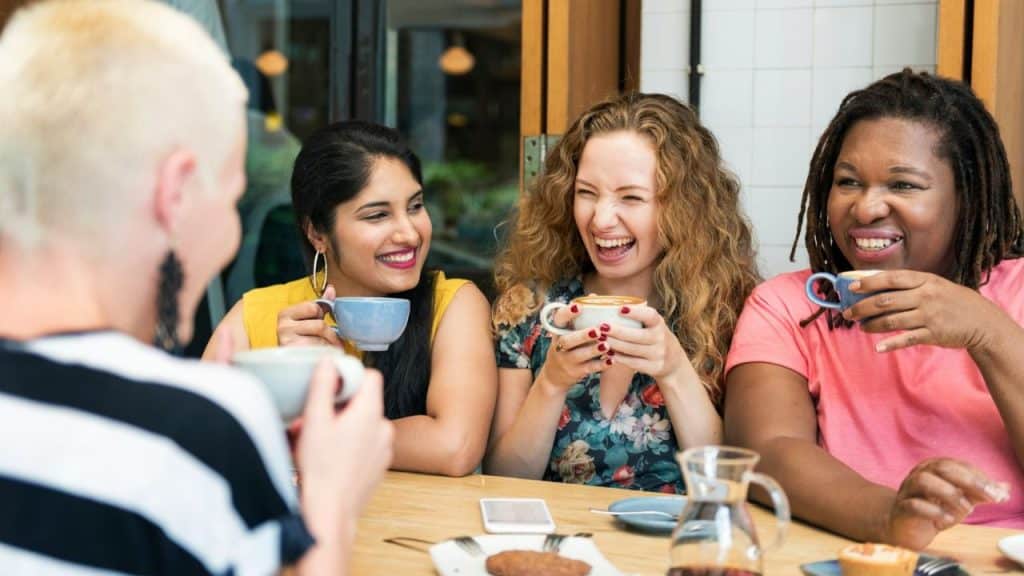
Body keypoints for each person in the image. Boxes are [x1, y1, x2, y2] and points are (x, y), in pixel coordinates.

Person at [0, 1, 392, 574]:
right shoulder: (194, 428)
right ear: (176, 193)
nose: (233, 233)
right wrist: (331, 506)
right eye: (232, 197)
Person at [724, 70, 1024, 550]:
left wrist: (986, 332)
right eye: (848, 182)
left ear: (965, 199)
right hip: (850, 553)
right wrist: (889, 517)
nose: (866, 209)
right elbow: (766, 451)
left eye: (903, 186)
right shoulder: (788, 306)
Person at [487, 92, 760, 491]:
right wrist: (551, 384)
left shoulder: (732, 312)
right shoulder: (529, 308)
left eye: (630, 197)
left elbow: (727, 488)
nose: (600, 219)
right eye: (586, 193)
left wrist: (674, 371)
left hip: (672, 547)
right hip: (561, 544)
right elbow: (503, 479)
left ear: (684, 207)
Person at [204, 121, 497, 477]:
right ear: (317, 233)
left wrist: (311, 434)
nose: (409, 233)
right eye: (377, 215)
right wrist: (288, 380)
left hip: (416, 530)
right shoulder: (257, 317)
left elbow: (454, 446)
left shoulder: (454, 304)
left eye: (416, 206)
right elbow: (204, 442)